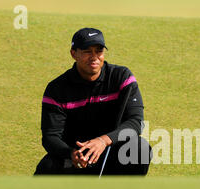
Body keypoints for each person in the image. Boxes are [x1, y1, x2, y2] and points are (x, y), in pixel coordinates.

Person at [34, 28, 152, 175]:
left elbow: (136, 122)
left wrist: (103, 141)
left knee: (139, 149)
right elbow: (50, 137)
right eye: (87, 51)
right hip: (76, 157)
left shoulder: (121, 78)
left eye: (99, 51)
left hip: (111, 151)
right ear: (73, 53)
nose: (94, 57)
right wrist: (71, 153)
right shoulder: (57, 89)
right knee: (48, 167)